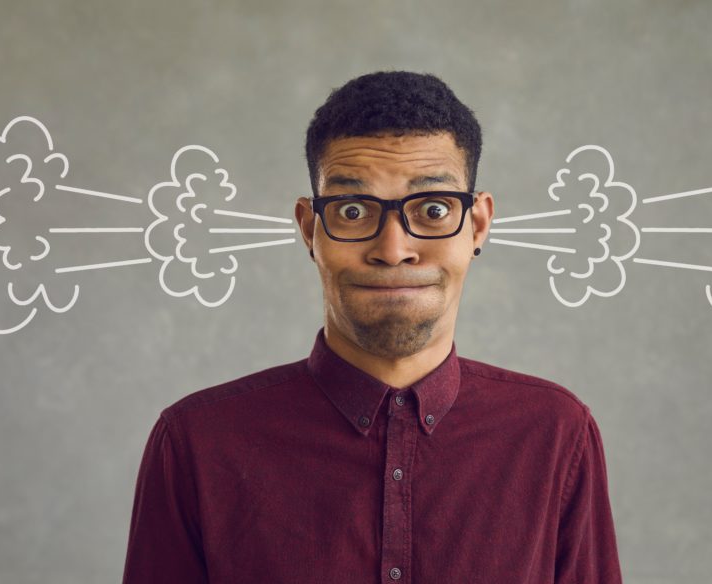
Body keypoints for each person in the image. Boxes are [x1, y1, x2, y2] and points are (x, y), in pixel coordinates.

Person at [122, 70, 623, 583]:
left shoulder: (556, 433)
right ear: (309, 229)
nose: (393, 249)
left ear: (477, 224)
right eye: (353, 209)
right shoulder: (197, 442)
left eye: (432, 209)